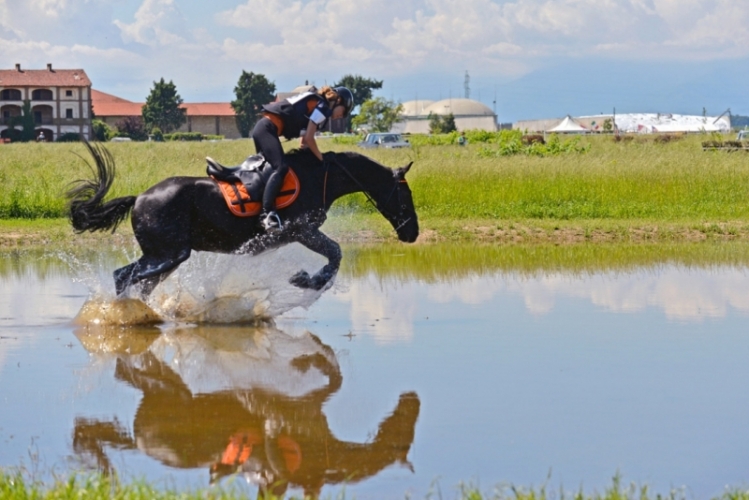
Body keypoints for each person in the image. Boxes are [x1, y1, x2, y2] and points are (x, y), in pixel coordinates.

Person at [253, 85, 354, 232]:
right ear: (337, 101)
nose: (341, 116)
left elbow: (304, 140)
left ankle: (265, 210)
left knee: (268, 173)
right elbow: (309, 138)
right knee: (281, 168)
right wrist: (321, 159)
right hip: (267, 129)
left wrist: (305, 154)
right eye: (343, 111)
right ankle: (266, 214)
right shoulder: (324, 107)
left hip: (266, 128)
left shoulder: (320, 105)